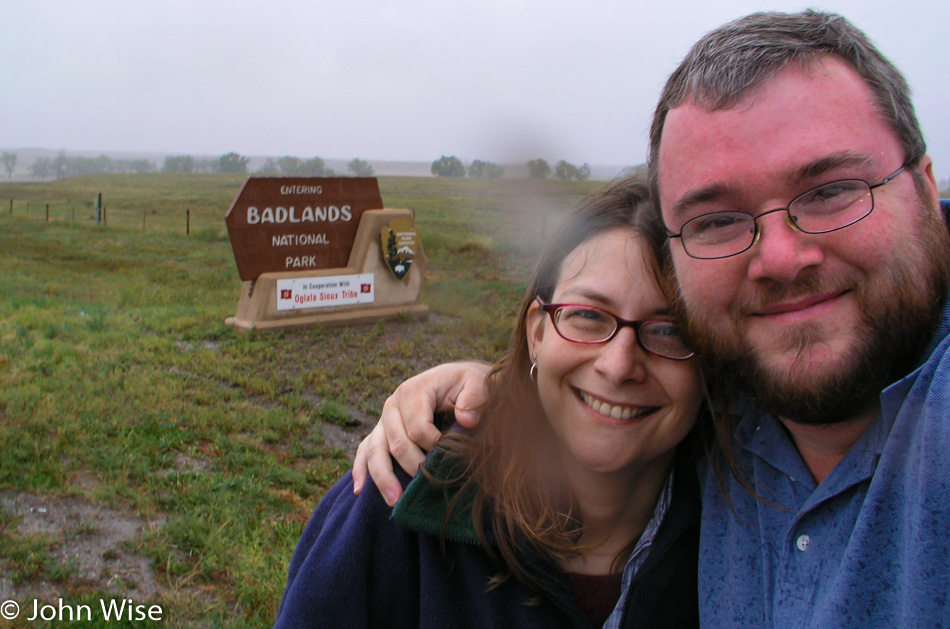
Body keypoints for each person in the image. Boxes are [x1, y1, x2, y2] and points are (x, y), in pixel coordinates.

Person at [354, 10, 950, 627]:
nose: (779, 258)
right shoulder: (733, 407)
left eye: (830, 190)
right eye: (717, 219)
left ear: (927, 190)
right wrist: (485, 384)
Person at [275, 176, 708, 628]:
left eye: (669, 330)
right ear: (536, 331)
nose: (619, 366)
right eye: (586, 316)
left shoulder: (747, 534)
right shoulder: (401, 496)